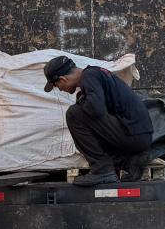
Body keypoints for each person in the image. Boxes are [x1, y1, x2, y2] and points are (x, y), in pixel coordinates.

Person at [43, 55, 154, 187]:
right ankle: (130, 161)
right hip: (139, 135)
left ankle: (102, 171)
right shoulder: (95, 75)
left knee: (74, 114)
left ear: (63, 79)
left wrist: (81, 101)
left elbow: (96, 110)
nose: (60, 89)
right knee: (87, 118)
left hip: (133, 134)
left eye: (57, 85)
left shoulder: (89, 76)